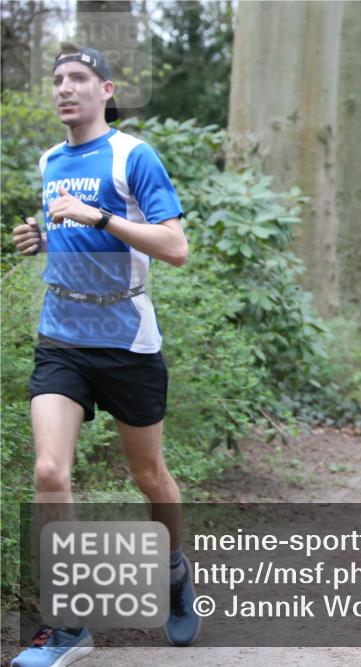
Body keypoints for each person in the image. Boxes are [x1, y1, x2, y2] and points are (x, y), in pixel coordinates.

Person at [11, 43, 200, 667]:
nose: (66, 89)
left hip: (127, 340)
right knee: (48, 473)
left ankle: (174, 572)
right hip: (61, 334)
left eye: (80, 79)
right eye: (58, 79)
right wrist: (44, 238)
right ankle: (68, 628)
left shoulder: (132, 155)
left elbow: (175, 247)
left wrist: (99, 217)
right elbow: (73, 232)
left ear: (107, 89)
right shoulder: (49, 159)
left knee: (150, 477)